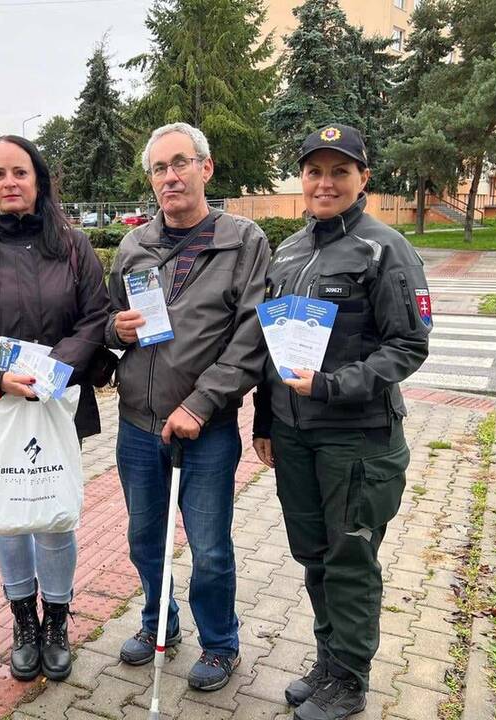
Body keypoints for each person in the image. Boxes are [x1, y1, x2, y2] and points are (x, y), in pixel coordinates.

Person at [252, 124, 431, 720]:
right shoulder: (289, 251)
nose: (324, 183)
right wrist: (266, 423)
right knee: (313, 555)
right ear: (301, 179)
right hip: (295, 437)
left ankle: (350, 681)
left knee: (350, 560)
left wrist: (334, 385)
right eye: (314, 171)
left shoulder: (385, 249)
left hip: (357, 441)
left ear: (363, 180)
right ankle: (329, 661)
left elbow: (408, 345)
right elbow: (271, 351)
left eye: (339, 172)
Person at [0, 135, 109, 682]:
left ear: (39, 180)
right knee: (11, 517)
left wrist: (58, 368)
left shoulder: (73, 246)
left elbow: (95, 318)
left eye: (20, 172)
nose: (9, 183)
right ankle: (22, 622)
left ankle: (56, 620)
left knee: (54, 512)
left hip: (57, 403)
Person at [105, 122, 271, 692]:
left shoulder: (243, 241)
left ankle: (221, 643)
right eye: (158, 168)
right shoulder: (134, 246)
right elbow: (108, 318)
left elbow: (251, 338)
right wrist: (115, 329)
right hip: (137, 425)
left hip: (206, 429)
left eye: (180, 163)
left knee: (209, 547)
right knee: (144, 540)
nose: (170, 177)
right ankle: (160, 624)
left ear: (206, 167)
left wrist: (200, 406)